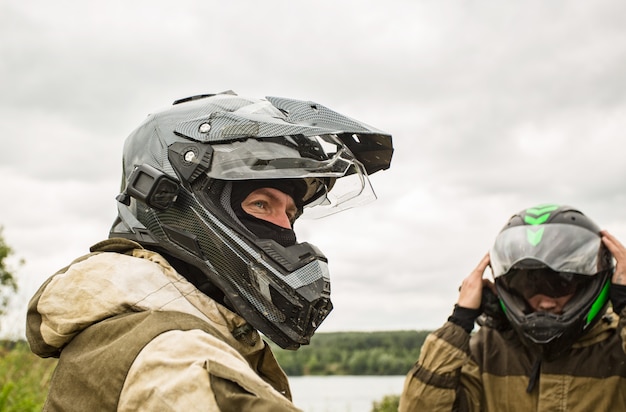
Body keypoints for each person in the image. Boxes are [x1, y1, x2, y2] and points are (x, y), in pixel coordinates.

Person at [26, 91, 393, 411]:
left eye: (291, 213)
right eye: (262, 204)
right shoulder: (172, 361)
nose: (284, 230)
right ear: (169, 200)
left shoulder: (123, 327)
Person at [399, 204, 626, 411]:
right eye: (529, 286)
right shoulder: (488, 348)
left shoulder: (616, 347)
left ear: (592, 282)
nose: (545, 302)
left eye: (561, 284)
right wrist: (460, 321)